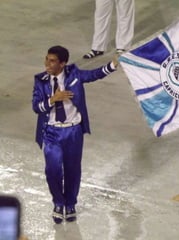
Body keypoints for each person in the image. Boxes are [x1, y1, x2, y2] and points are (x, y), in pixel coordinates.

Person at [32, 45, 118, 224]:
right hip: (51, 132)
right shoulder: (40, 80)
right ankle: (58, 202)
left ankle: (70, 204)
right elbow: (36, 106)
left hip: (73, 131)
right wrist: (52, 99)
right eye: (47, 59)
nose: (47, 63)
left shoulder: (74, 74)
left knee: (72, 170)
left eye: (53, 60)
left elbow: (94, 74)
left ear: (63, 64)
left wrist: (112, 65)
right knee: (52, 170)